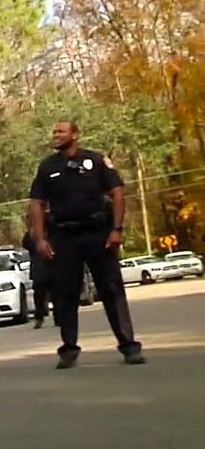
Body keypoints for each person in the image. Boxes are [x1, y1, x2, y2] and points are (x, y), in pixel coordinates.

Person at [28, 121, 144, 368]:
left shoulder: (96, 160)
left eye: (61, 131)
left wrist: (117, 229)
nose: (56, 135)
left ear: (75, 135)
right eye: (54, 131)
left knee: (111, 289)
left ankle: (128, 345)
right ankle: (69, 349)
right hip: (64, 236)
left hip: (98, 233)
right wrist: (40, 238)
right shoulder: (48, 167)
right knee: (66, 293)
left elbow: (117, 192)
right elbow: (37, 203)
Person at [21, 219, 53, 328]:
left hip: (52, 266)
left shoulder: (50, 231)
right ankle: (39, 317)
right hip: (38, 269)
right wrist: (31, 231)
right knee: (39, 296)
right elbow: (26, 244)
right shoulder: (31, 235)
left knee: (57, 294)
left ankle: (60, 317)